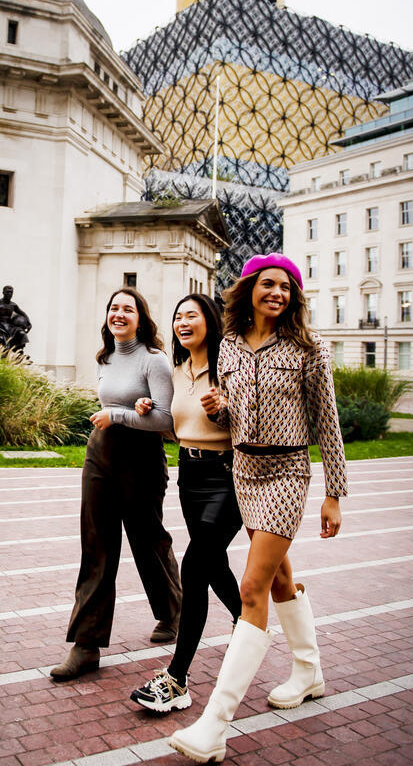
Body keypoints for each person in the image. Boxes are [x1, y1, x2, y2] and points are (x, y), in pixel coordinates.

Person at [169, 253, 348, 763]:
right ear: (248, 289)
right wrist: (220, 406)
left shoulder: (308, 350)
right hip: (243, 471)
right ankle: (309, 669)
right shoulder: (228, 348)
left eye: (286, 286)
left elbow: (327, 424)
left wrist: (335, 493)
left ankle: (215, 724)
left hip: (288, 472)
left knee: (251, 587)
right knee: (278, 580)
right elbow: (236, 411)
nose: (277, 292)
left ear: (293, 297)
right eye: (268, 284)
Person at [50, 287, 182, 681]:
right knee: (96, 544)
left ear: (141, 318)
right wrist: (121, 413)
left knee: (147, 539)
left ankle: (173, 610)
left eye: (128, 309)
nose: (119, 314)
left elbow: (166, 421)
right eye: (113, 308)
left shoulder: (154, 360)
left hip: (140, 459)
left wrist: (120, 415)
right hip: (101, 454)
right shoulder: (104, 358)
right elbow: (120, 407)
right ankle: (86, 645)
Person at [129, 293, 242, 713]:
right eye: (178, 316)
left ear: (210, 321)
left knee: (195, 568)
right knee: (214, 564)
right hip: (188, 476)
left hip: (227, 477)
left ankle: (177, 679)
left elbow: (248, 422)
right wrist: (147, 410)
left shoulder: (230, 368)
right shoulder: (178, 371)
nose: (182, 322)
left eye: (191, 315)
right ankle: (248, 622)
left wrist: (225, 409)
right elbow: (176, 427)